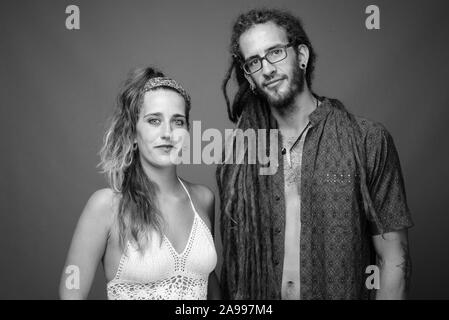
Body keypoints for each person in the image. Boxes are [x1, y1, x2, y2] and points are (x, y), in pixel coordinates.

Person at [217, 8, 413, 300]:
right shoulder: (241, 153)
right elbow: (232, 266)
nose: (267, 69)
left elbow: (393, 259)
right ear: (249, 75)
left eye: (275, 52)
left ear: (302, 56)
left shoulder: (367, 140)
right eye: (254, 62)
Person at [60, 67, 221, 300]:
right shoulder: (106, 206)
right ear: (133, 133)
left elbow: (209, 284)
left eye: (178, 121)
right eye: (154, 120)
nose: (167, 133)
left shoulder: (204, 199)